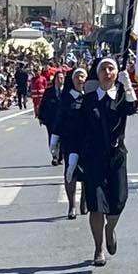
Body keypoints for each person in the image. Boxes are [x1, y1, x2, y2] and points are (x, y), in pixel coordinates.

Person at [76, 57, 138, 266]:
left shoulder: (121, 97)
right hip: (93, 158)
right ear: (98, 74)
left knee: (118, 201)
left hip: (116, 157)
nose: (107, 72)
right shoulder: (88, 100)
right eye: (103, 69)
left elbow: (131, 108)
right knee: (96, 205)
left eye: (111, 68)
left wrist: (128, 85)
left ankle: (110, 229)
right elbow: (80, 129)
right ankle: (98, 248)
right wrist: (74, 157)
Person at [50, 68, 89, 219]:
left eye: (83, 76)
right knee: (70, 172)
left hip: (87, 142)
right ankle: (71, 205)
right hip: (70, 141)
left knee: (87, 172)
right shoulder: (66, 98)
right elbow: (59, 118)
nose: (80, 79)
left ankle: (85, 200)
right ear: (72, 80)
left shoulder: (90, 97)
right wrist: (54, 139)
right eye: (77, 77)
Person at [39, 69, 66, 165]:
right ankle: (54, 156)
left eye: (62, 78)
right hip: (51, 119)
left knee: (63, 138)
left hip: (63, 120)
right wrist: (41, 117)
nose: (60, 80)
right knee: (52, 137)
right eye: (58, 78)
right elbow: (43, 104)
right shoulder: (49, 92)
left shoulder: (67, 92)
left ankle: (61, 156)